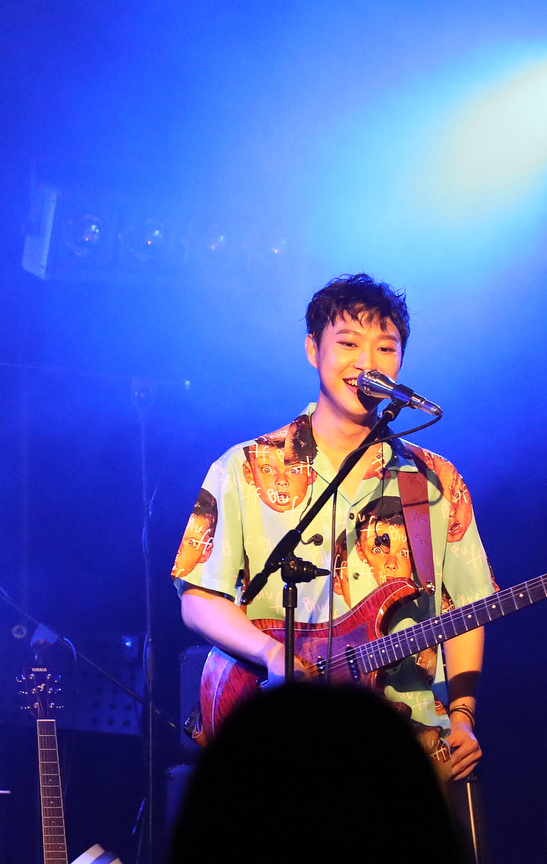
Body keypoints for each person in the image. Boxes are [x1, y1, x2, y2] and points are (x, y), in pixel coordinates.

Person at [173, 273, 497, 779]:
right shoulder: (244, 468)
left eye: (385, 348)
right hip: (279, 745)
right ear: (313, 350)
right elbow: (198, 598)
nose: (367, 362)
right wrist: (270, 652)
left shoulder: (437, 482)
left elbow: (468, 609)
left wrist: (462, 716)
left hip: (405, 755)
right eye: (348, 343)